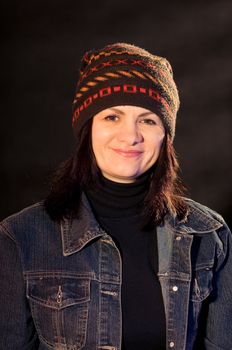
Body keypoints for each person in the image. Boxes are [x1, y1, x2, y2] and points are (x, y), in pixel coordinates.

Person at [0, 42, 231, 350]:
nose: (131, 135)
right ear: (87, 128)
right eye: (112, 117)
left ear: (166, 136)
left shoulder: (210, 236)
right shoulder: (20, 238)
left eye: (148, 120)